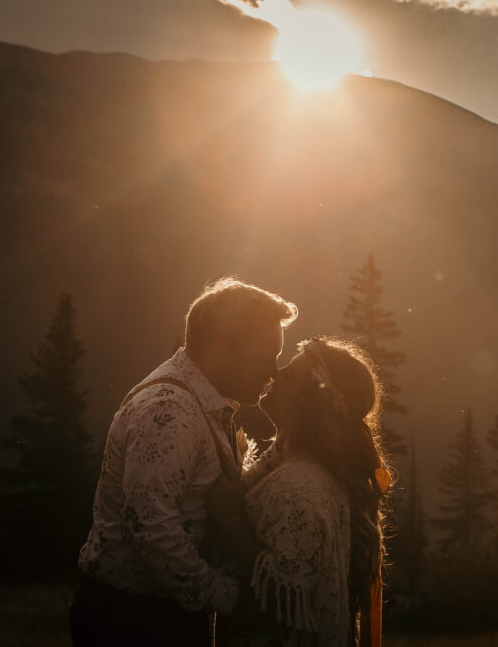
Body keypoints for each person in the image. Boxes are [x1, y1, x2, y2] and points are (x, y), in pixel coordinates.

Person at [70, 277, 298, 647]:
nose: (274, 371)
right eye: (265, 358)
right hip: (133, 622)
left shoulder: (200, 401)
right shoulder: (169, 411)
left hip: (152, 615)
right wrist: (229, 597)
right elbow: (150, 528)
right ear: (222, 354)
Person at [210, 336, 391, 647]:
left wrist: (230, 519)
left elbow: (279, 596)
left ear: (309, 404)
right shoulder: (302, 466)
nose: (275, 374)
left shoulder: (296, 487)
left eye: (290, 375)